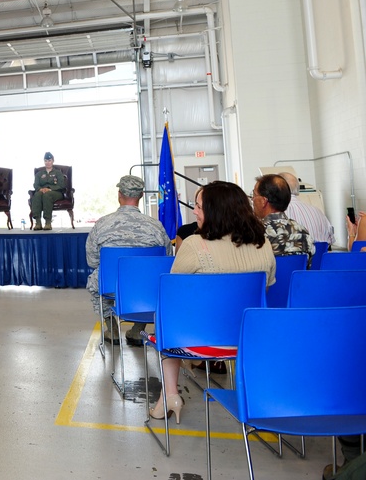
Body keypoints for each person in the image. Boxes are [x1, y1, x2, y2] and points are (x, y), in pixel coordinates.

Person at [149, 181, 275, 424]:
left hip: (199, 340)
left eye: (198, 207)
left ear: (215, 212)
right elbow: (268, 286)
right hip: (249, 338)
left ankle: (170, 394)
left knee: (165, 315)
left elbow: (171, 293)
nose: (194, 212)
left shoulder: (196, 244)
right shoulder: (263, 243)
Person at [85, 175, 171, 346]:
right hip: (145, 285)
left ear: (119, 195)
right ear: (141, 195)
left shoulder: (102, 224)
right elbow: (166, 259)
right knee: (152, 282)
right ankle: (138, 330)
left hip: (112, 282)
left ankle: (113, 328)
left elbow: (92, 261)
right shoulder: (156, 227)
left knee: (96, 281)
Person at [252, 173, 313, 264]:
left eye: (254, 195)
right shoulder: (302, 231)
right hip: (297, 278)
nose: (252, 199)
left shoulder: (257, 233)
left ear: (263, 201)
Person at [280, 171, 334, 246]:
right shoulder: (318, 212)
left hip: (293, 256)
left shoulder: (279, 213)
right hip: (319, 257)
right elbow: (330, 240)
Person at [29, 152, 67, 230]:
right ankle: (38, 222)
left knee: (47, 195)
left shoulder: (58, 173)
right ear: (44, 161)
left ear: (53, 161)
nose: (48, 162)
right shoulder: (39, 174)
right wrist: (40, 189)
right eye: (46, 161)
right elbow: (36, 185)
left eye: (49, 160)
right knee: (36, 195)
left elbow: (61, 185)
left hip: (56, 192)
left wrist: (49, 189)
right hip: (42, 191)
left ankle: (48, 222)